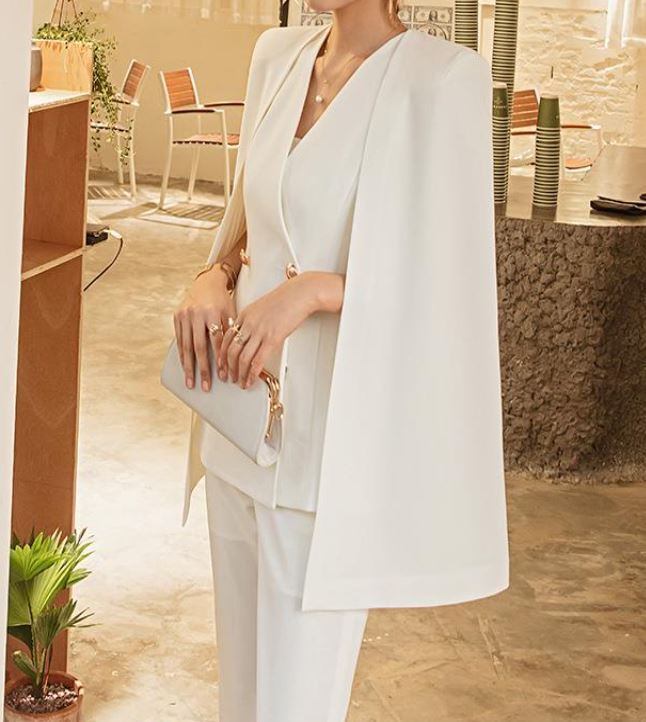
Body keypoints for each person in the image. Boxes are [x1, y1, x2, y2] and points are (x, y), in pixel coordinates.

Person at [172, 0, 510, 719]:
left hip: (321, 458)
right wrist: (214, 275)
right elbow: (253, 223)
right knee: (240, 702)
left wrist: (315, 291)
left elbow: (446, 289)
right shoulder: (277, 57)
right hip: (235, 427)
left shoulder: (442, 79)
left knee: (296, 706)